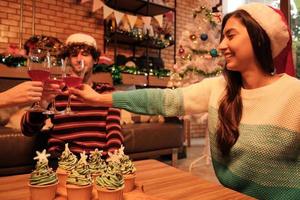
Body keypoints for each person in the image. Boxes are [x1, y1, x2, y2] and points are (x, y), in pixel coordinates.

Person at [69, 3, 300, 199]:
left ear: (259, 37)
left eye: (230, 35)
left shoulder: (294, 93)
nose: (220, 46)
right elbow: (163, 99)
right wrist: (100, 99)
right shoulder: (218, 88)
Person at [21, 33, 123, 168]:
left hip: (97, 160)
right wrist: (43, 103)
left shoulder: (106, 91)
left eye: (85, 54)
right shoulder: (55, 88)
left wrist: (114, 160)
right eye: (74, 55)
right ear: (68, 59)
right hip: (61, 159)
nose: (79, 59)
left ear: (95, 59)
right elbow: (27, 130)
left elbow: (114, 130)